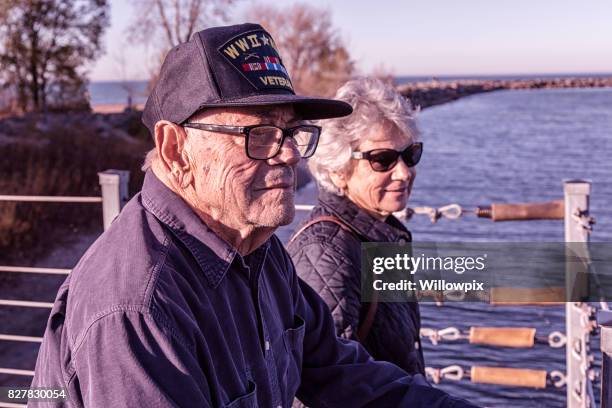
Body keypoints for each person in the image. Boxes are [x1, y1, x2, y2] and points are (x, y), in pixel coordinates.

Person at [31, 24, 477, 407]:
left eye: (291, 133)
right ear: (175, 149)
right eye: (259, 135)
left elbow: (337, 368)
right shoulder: (139, 308)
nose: (287, 154)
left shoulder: (259, 253)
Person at [288, 77, 425, 375]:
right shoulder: (326, 253)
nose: (404, 172)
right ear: (338, 171)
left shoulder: (378, 233)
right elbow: (325, 383)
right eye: (383, 159)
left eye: (410, 154)